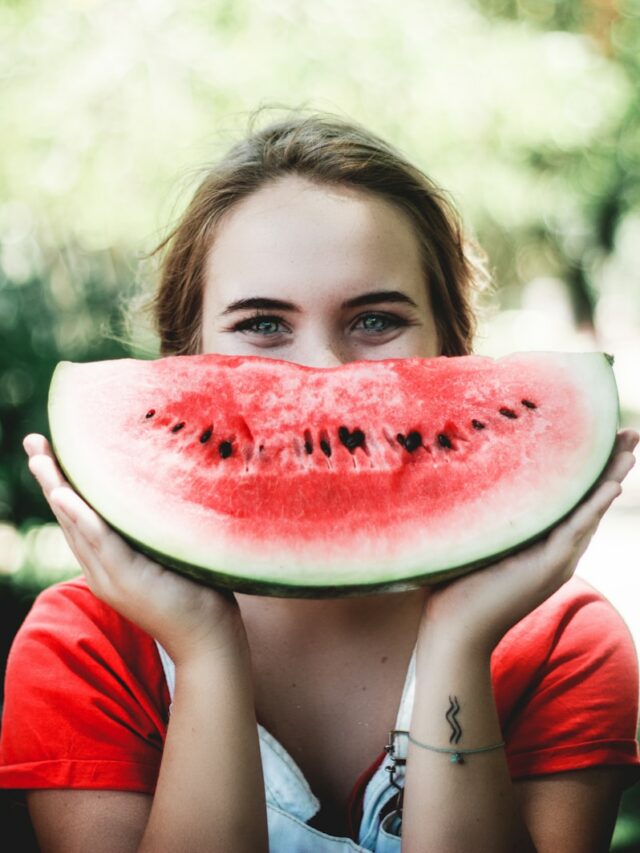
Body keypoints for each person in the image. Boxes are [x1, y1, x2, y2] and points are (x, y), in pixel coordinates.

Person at [1, 109, 639, 853]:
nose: (323, 376)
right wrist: (204, 651)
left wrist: (459, 640)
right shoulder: (89, 645)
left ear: (453, 350)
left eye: (374, 320)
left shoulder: (561, 642)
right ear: (184, 359)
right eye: (264, 324)